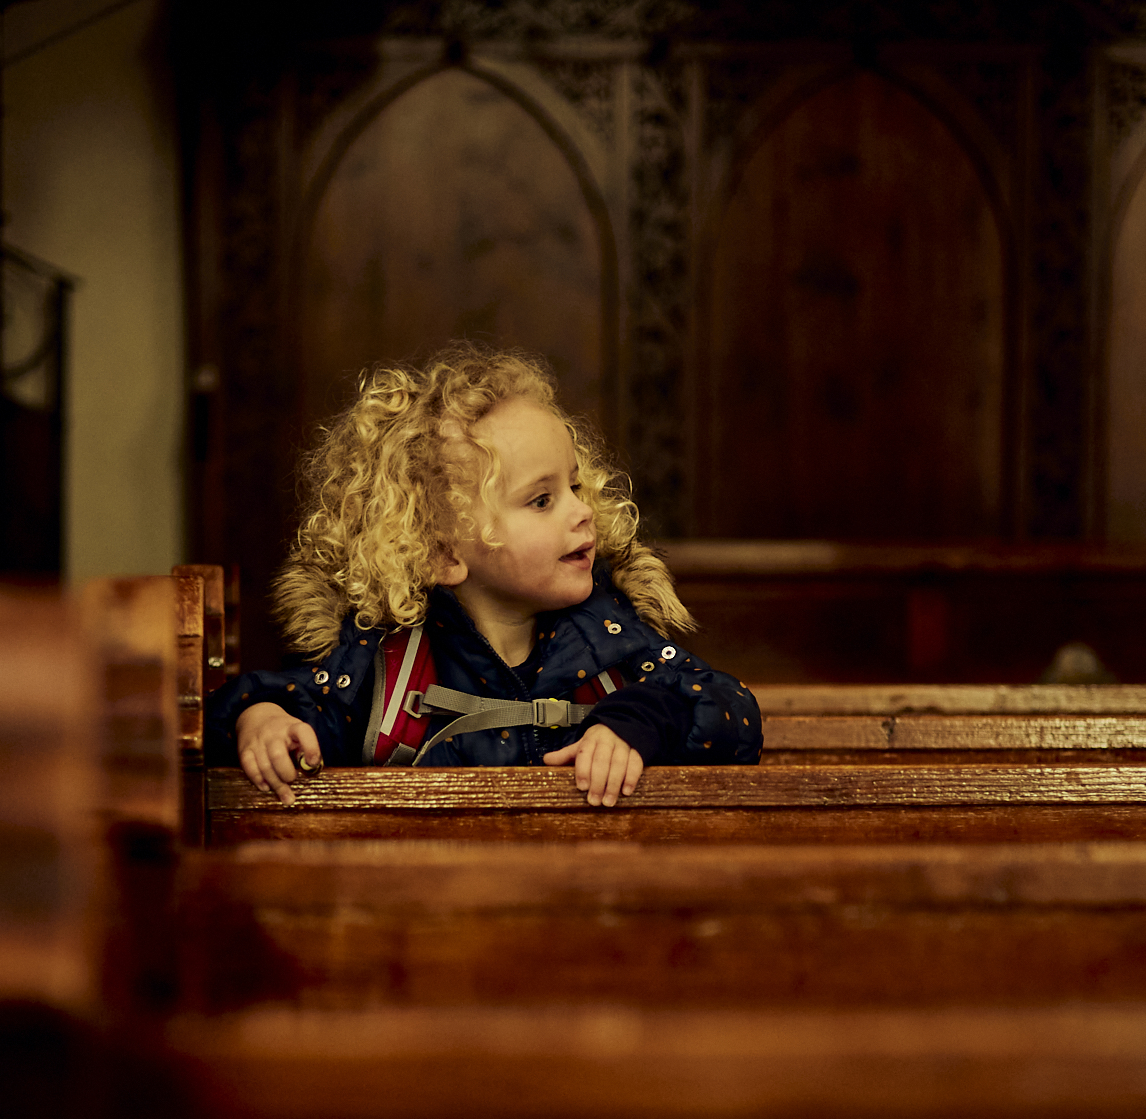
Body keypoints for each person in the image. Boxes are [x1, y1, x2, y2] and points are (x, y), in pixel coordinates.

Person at [206, 345, 762, 806]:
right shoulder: (389, 665)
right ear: (442, 553)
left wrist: (637, 721)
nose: (582, 509)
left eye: (573, 484)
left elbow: (730, 710)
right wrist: (261, 721)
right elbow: (296, 705)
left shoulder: (610, 638)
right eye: (542, 500)